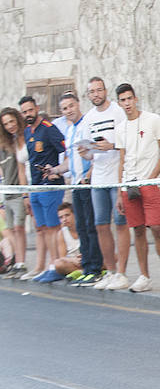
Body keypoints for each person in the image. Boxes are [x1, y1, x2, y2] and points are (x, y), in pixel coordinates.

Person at [113, 83, 160, 293]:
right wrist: (119, 190)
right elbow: (122, 159)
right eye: (123, 100)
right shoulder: (120, 128)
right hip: (128, 185)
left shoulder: (153, 120)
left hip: (148, 183)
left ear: (136, 99)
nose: (127, 103)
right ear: (119, 103)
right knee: (138, 231)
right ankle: (144, 276)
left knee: (157, 227)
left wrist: (152, 177)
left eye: (129, 99)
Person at [79, 77, 130, 291]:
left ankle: (122, 273)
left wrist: (111, 145)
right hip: (98, 178)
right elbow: (88, 153)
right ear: (88, 95)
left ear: (105, 91)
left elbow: (126, 142)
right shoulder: (88, 119)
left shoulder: (117, 112)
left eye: (99, 90)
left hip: (116, 175)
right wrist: (85, 152)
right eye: (92, 91)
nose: (96, 94)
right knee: (100, 224)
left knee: (120, 223)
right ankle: (109, 271)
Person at [57, 92, 103, 286]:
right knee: (82, 227)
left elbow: (95, 153)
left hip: (87, 183)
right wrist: (55, 170)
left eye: (71, 106)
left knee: (91, 226)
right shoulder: (69, 131)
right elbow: (69, 161)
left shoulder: (87, 125)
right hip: (75, 184)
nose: (69, 111)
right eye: (65, 108)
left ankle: (96, 268)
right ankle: (86, 266)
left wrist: (89, 174)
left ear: (78, 104)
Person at [20, 95, 66, 280]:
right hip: (36, 187)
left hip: (51, 186)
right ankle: (43, 266)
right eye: (24, 112)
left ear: (37, 108)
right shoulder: (27, 132)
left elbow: (66, 150)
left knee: (53, 227)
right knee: (42, 227)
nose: (28, 114)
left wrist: (58, 171)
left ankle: (55, 266)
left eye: (30, 110)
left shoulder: (49, 129)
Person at [0, 107, 28, 277]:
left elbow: (22, 169)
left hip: (20, 191)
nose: (10, 126)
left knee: (19, 227)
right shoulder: (3, 146)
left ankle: (21, 263)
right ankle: (17, 262)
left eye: (11, 121)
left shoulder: (19, 142)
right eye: (5, 124)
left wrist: (25, 193)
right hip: (7, 193)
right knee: (11, 229)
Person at [34, 202, 81, 282]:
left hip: (86, 260)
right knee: (58, 263)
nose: (64, 219)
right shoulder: (62, 233)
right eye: (61, 217)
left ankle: (80, 272)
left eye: (67, 215)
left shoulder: (84, 228)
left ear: (74, 214)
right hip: (72, 262)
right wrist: (72, 260)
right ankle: (80, 272)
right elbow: (62, 257)